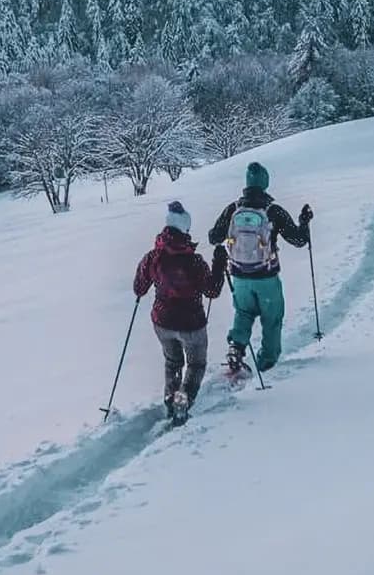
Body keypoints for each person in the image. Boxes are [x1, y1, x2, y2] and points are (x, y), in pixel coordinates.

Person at [207, 161, 312, 382]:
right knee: (272, 319)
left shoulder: (233, 209)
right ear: (265, 183)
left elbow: (214, 238)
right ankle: (267, 364)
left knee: (243, 313)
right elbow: (299, 240)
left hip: (239, 276)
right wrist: (304, 222)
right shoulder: (273, 211)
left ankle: (236, 348)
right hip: (266, 277)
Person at [132, 200, 226, 424]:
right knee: (195, 365)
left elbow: (139, 288)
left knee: (173, 363)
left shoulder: (152, 257)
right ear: (185, 230)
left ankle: (170, 400)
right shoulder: (194, 262)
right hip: (191, 324)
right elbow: (212, 290)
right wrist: (220, 265)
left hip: (162, 322)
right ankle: (181, 403)